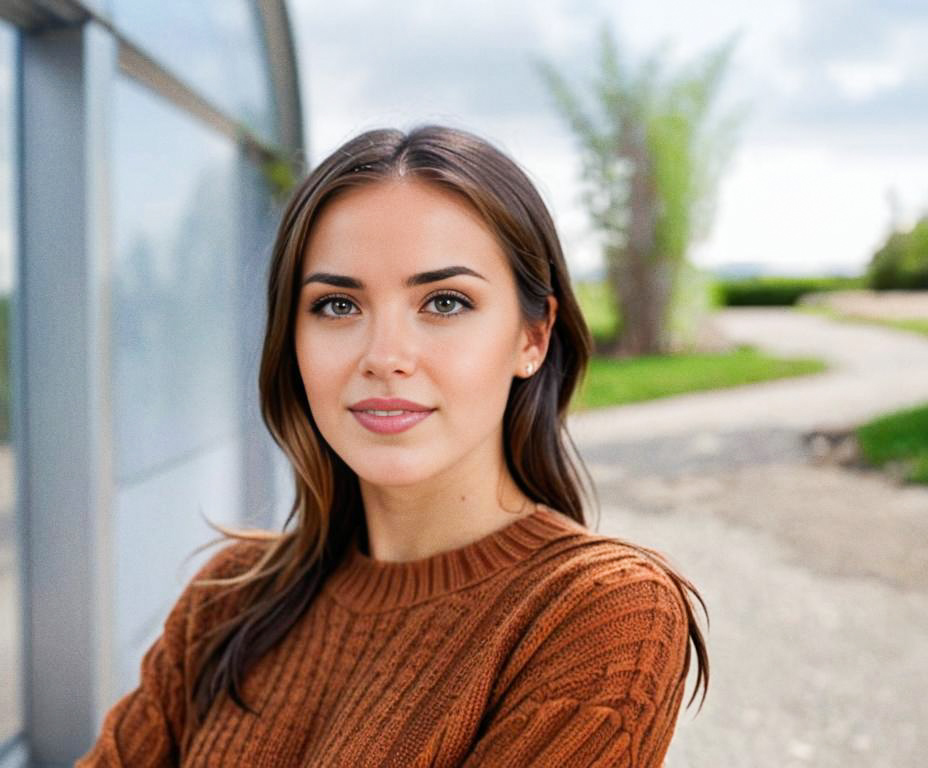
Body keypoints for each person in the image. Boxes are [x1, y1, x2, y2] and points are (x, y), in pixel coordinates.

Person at [77, 124, 709, 767]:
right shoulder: (232, 595)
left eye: (444, 301)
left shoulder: (598, 612)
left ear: (532, 338)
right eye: (337, 306)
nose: (384, 358)